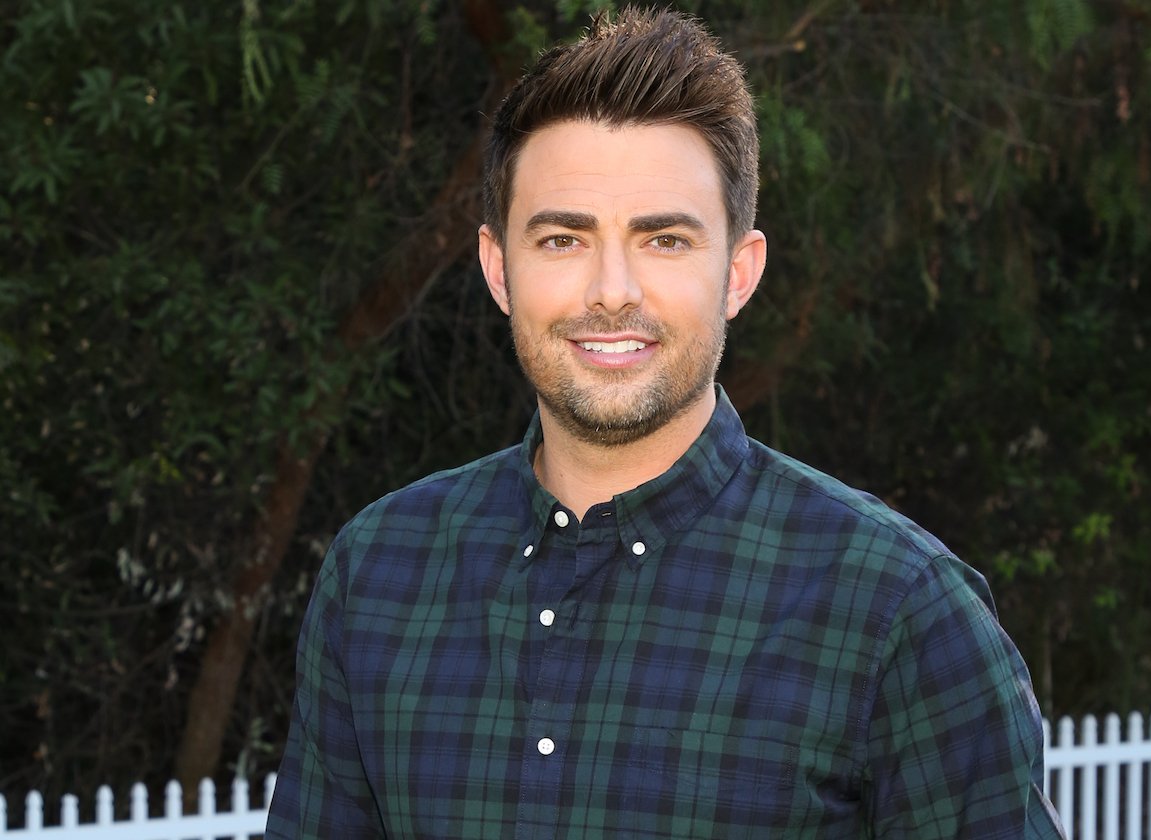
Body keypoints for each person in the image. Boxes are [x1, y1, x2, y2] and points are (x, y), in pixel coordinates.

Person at [265, 7, 1065, 837]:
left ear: (738, 272)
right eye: (564, 240)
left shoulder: (899, 609)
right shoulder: (378, 574)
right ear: (499, 269)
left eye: (664, 241)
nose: (613, 290)